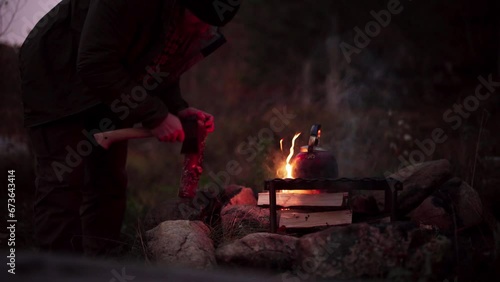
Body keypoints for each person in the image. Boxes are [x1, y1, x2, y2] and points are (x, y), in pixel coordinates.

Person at [19, 0, 241, 256]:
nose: (205, 31)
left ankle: (99, 265)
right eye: (201, 21)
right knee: (63, 183)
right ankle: (58, 272)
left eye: (213, 25)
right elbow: (94, 62)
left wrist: (177, 109)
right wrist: (155, 116)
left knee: (109, 181)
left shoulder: (179, 20)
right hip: (57, 75)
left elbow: (158, 63)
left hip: (111, 83)